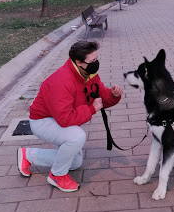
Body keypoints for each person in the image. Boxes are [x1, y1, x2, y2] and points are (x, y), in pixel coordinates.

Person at [17, 40, 122, 192]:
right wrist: (92, 109)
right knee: (76, 136)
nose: (96, 63)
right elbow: (65, 119)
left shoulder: (87, 73)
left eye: (96, 59)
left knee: (75, 162)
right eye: (92, 61)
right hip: (42, 121)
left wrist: (113, 95)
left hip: (59, 117)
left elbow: (98, 94)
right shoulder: (62, 81)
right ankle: (57, 176)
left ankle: (29, 155)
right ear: (78, 62)